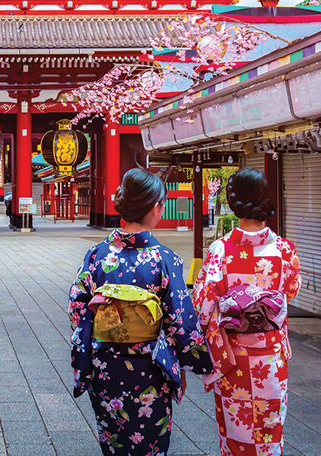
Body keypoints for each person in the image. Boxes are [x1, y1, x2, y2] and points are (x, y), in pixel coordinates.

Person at [68, 168, 212, 456]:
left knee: (114, 441)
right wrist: (200, 364)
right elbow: (180, 321)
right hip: (150, 368)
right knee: (151, 444)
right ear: (155, 208)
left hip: (105, 365)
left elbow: (76, 307)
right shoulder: (165, 258)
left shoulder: (97, 254)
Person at [193, 168, 301, 456]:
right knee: (269, 433)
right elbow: (292, 289)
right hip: (271, 359)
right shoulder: (283, 250)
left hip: (234, 359)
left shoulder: (219, 250)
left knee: (235, 433)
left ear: (233, 202)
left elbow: (202, 307)